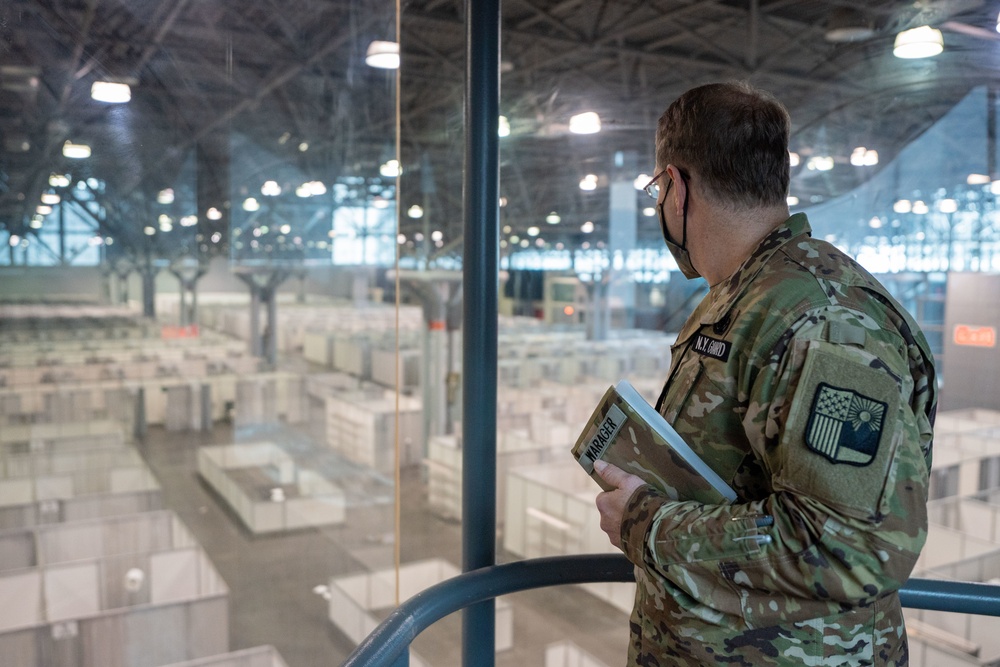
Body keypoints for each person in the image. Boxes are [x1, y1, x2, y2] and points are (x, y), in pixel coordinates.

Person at [593, 81, 937, 666]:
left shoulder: (823, 316)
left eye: (657, 189)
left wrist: (646, 525)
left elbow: (849, 547)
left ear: (676, 187)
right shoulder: (744, 296)